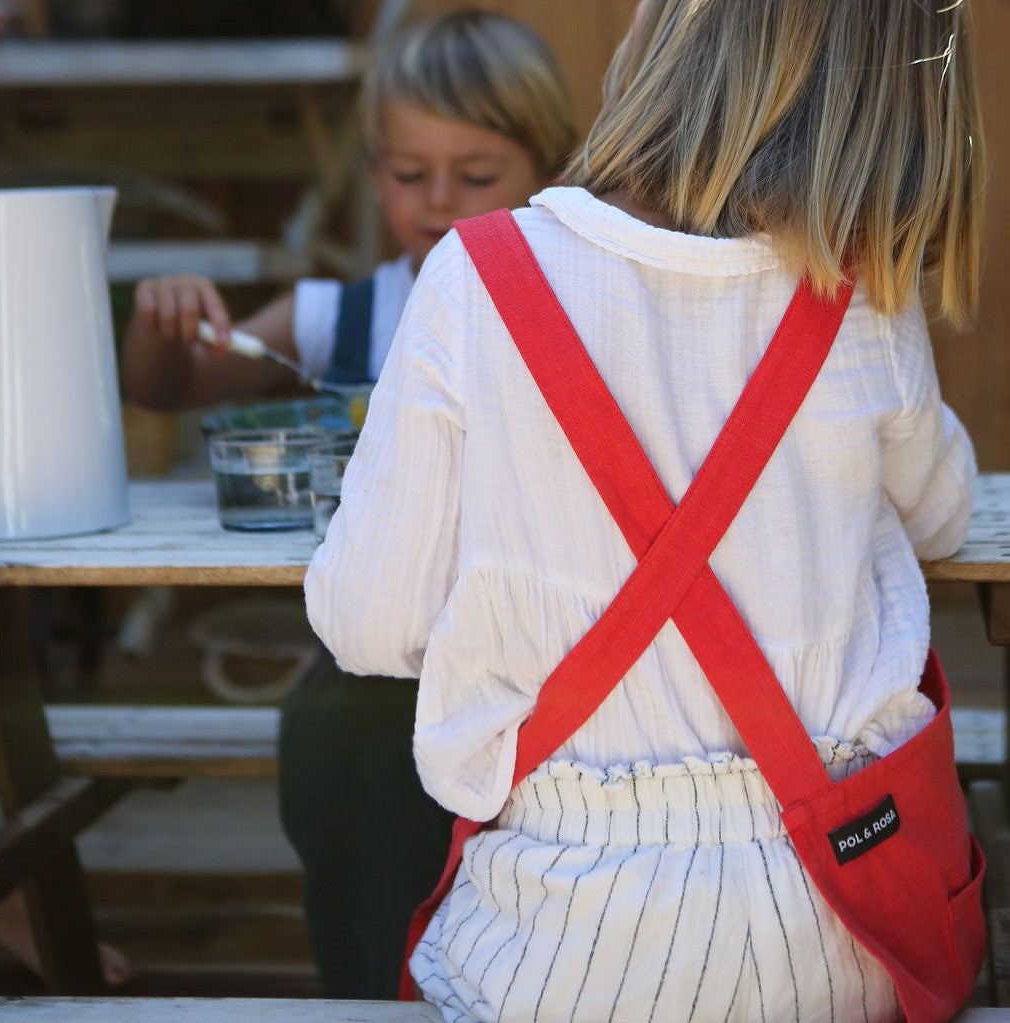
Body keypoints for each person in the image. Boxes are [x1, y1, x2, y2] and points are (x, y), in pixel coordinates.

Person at [304, 1, 986, 1020]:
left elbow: (365, 625)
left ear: (659, 48)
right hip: (840, 934)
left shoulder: (473, 279)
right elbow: (938, 519)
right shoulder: (855, 300)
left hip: (555, 945)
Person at [120, 11, 576, 999]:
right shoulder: (346, 315)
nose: (438, 201)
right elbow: (166, 389)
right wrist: (164, 322)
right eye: (407, 175)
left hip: (546, 667)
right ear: (372, 170)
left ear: (553, 166)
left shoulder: (583, 312)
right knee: (336, 747)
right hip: (383, 676)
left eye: (476, 173)